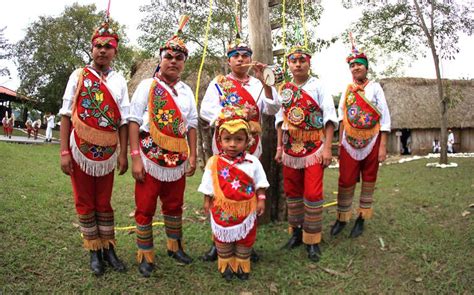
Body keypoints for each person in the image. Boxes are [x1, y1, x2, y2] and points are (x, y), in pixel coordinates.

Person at [199, 34, 280, 262]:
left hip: (251, 147)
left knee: (247, 193)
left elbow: (272, 109)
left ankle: (246, 240)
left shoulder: (257, 84)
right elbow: (206, 110)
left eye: (245, 55)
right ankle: (219, 241)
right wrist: (231, 116)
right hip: (224, 146)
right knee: (221, 192)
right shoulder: (219, 83)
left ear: (251, 59)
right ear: (229, 60)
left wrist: (267, 84)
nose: (241, 59)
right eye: (236, 56)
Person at [58, 18, 129, 276]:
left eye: (108, 46)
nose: (102, 50)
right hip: (80, 151)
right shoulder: (79, 76)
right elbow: (66, 114)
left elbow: (124, 119)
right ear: (92, 48)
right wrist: (64, 151)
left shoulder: (119, 80)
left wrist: (123, 153)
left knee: (104, 201)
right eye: (98, 45)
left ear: (115, 51)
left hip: (108, 153)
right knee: (85, 201)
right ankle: (94, 251)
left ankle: (108, 247)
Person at [128, 16, 197, 278]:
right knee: (145, 207)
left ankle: (174, 246)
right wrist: (135, 157)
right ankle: (145, 254)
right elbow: (133, 121)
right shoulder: (148, 86)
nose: (174, 61)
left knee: (174, 205)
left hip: (178, 160)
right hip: (149, 157)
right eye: (169, 56)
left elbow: (191, 125)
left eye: (179, 58)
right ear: (161, 58)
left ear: (184, 62)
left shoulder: (187, 91)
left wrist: (193, 156)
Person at [274, 45, 338, 261]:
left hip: (314, 149)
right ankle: (296, 233)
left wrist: (328, 148)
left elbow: (329, 118)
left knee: (312, 193)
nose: (298, 64)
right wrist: (279, 148)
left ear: (309, 63)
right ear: (289, 64)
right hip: (290, 150)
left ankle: (312, 240)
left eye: (302, 60)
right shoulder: (284, 89)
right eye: (293, 61)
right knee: (292, 192)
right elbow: (279, 121)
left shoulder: (318, 86)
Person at [198, 105, 269, 281]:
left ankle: (242, 265)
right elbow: (208, 184)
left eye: (238, 139)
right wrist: (207, 201)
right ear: (220, 140)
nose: (232, 144)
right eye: (227, 139)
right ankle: (226, 265)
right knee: (223, 239)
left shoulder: (252, 162)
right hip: (222, 210)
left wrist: (261, 200)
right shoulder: (214, 162)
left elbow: (260, 183)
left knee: (245, 238)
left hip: (246, 210)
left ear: (247, 141)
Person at [330, 46, 391, 238]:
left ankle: (362, 217)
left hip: (372, 141)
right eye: (352, 65)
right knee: (346, 179)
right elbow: (342, 115)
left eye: (359, 65)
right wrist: (340, 142)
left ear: (366, 67)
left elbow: (385, 118)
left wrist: (382, 147)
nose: (356, 68)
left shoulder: (375, 88)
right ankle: (342, 217)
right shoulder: (348, 89)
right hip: (349, 142)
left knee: (369, 179)